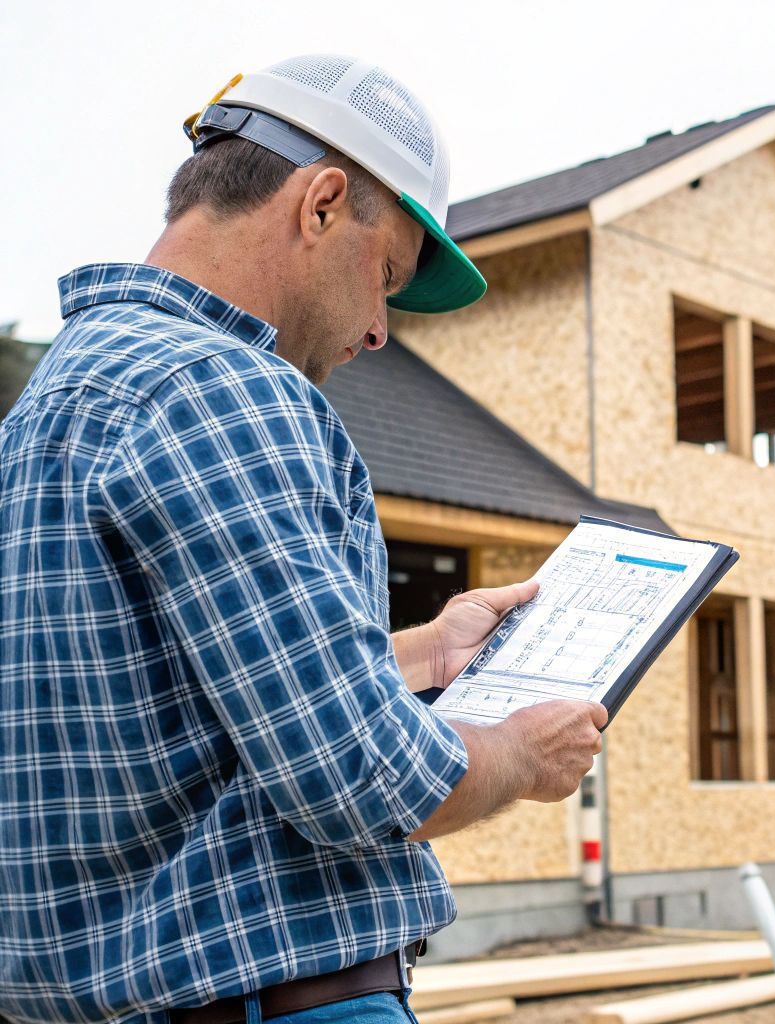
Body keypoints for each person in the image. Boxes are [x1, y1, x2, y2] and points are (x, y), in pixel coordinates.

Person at [0, 56, 607, 1024]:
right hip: (270, 997)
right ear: (322, 203)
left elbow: (155, 696)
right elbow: (360, 774)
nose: (377, 331)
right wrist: (517, 755)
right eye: (388, 277)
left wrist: (420, 650)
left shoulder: (51, 404)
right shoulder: (223, 386)